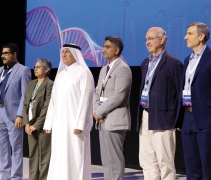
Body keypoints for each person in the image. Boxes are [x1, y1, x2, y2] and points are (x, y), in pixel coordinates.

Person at [175, 22, 211, 179]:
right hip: (187, 117)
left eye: (190, 34)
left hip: (206, 117)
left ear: (201, 36)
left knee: (207, 163)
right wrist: (181, 118)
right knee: (191, 164)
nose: (186, 37)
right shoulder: (187, 60)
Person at [136, 27, 183, 180]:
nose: (147, 42)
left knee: (165, 162)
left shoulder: (173, 63)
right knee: (147, 160)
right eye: (146, 39)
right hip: (145, 115)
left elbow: (180, 94)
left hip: (164, 118)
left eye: (150, 39)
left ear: (161, 40)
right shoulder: (145, 63)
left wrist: (178, 120)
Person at [43, 44, 94, 180]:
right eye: (62, 52)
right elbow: (53, 101)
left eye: (67, 52)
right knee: (59, 157)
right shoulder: (60, 75)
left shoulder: (83, 72)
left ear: (75, 54)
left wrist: (80, 124)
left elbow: (86, 99)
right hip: (59, 125)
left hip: (75, 125)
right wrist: (49, 123)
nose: (64, 54)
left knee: (76, 157)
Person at [0, 43, 31, 180]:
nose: (3, 56)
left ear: (14, 55)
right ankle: (5, 176)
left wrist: (20, 115)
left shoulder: (23, 70)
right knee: (3, 147)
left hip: (13, 115)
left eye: (6, 53)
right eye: (2, 53)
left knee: (16, 147)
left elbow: (25, 95)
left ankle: (17, 176)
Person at [93, 36, 132, 180]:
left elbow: (118, 96)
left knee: (114, 161)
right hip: (102, 120)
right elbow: (97, 92)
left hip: (114, 120)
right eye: (104, 46)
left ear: (116, 50)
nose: (104, 49)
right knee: (106, 160)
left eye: (107, 47)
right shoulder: (104, 69)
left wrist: (100, 111)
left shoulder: (123, 69)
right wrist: (96, 110)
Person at [23, 59, 53, 180]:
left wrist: (37, 125)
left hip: (43, 126)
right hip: (30, 125)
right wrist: (26, 123)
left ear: (46, 70)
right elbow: (25, 104)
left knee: (44, 156)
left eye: (39, 67)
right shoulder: (31, 83)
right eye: (35, 67)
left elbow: (47, 107)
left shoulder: (50, 84)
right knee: (33, 155)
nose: (35, 69)